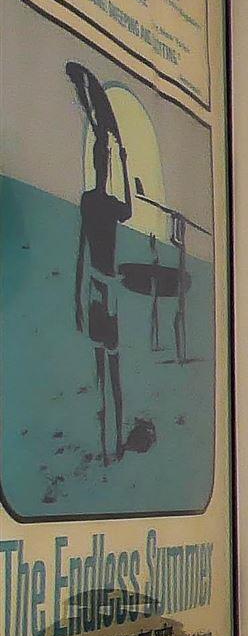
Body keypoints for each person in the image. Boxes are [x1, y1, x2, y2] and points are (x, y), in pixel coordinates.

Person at [62, 62, 129, 461]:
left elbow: (130, 212)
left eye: (104, 158)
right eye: (100, 156)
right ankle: (109, 441)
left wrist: (122, 161)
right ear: (96, 163)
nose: (102, 161)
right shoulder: (94, 202)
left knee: (113, 367)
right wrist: (76, 299)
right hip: (98, 288)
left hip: (105, 288)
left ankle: (116, 440)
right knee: (104, 368)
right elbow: (80, 252)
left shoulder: (103, 202)